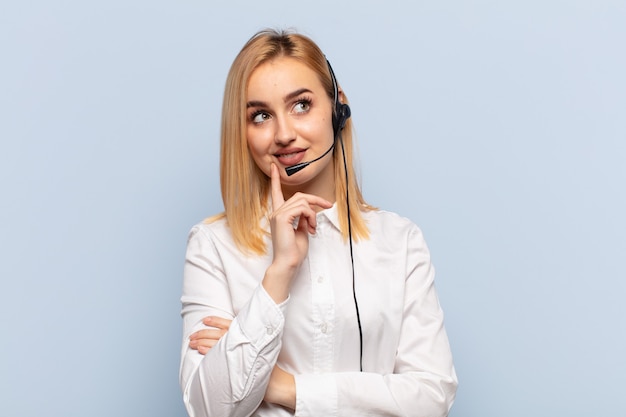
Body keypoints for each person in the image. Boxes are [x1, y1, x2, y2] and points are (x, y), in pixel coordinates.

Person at [179, 28, 458, 417]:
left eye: (301, 105)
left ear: (337, 108)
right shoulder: (212, 245)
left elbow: (431, 397)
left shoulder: (399, 240)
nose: (284, 134)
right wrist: (279, 271)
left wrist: (284, 387)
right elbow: (211, 408)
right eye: (260, 116)